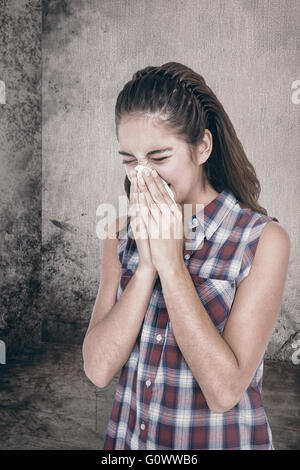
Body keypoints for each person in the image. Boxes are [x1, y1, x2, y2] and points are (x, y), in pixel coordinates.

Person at [82, 62, 290, 450]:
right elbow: (97, 369)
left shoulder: (262, 240)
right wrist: (146, 267)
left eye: (159, 157)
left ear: (203, 147)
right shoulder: (117, 234)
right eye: (129, 160)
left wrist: (172, 264)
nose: (141, 177)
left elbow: (224, 392)